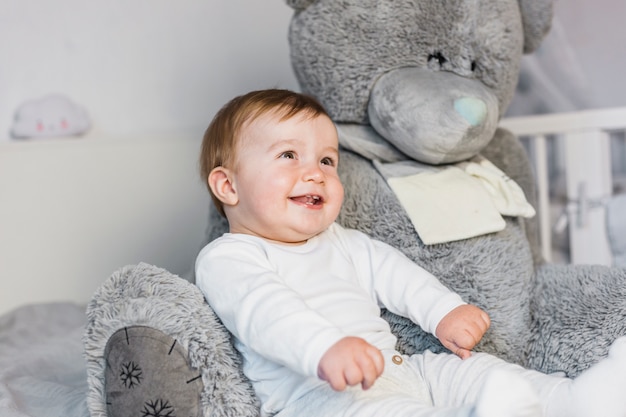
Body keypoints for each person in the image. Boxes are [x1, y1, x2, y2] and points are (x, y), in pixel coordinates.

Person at [195, 88, 626, 417]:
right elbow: (266, 312)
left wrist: (444, 312)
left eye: (328, 161)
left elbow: (397, 275)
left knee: (477, 372)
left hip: (401, 369)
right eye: (289, 155)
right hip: (322, 399)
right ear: (228, 186)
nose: (316, 173)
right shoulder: (230, 257)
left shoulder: (343, 242)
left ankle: (573, 402)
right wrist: (324, 348)